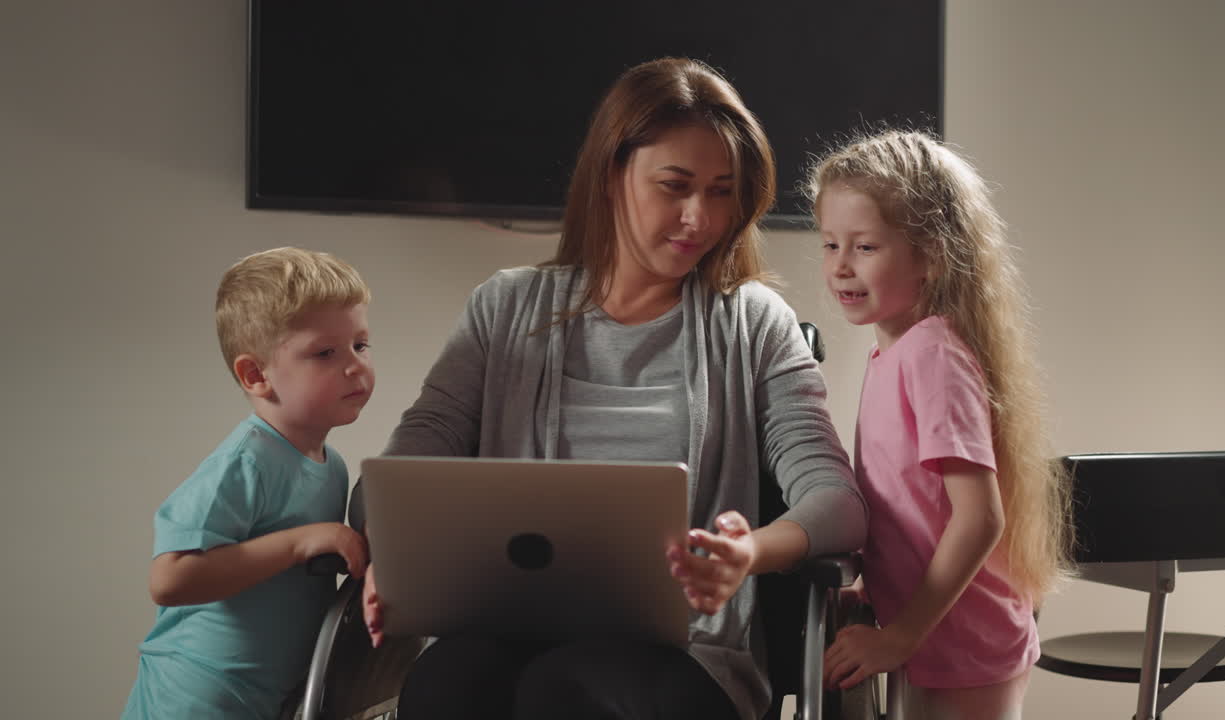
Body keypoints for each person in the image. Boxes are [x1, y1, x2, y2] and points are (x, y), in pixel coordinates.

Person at [357, 57, 869, 720]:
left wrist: (749, 553)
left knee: (563, 690)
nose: (700, 217)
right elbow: (396, 478)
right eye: (675, 186)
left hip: (688, 657)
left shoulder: (751, 323)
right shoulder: (503, 309)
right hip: (505, 633)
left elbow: (837, 500)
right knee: (443, 683)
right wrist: (392, 554)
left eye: (721, 191)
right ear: (610, 175)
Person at [810, 130, 1073, 720]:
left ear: (930, 255)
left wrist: (899, 634)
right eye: (830, 245)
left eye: (866, 247)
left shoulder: (931, 352)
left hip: (963, 645)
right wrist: (875, 590)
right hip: (941, 636)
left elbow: (979, 517)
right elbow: (913, 505)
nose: (841, 267)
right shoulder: (895, 353)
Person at [122, 247, 374, 719]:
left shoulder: (331, 465)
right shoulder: (247, 461)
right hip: (196, 696)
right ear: (256, 375)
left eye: (360, 345)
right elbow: (170, 578)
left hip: (265, 698)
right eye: (325, 352)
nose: (354, 365)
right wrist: (299, 543)